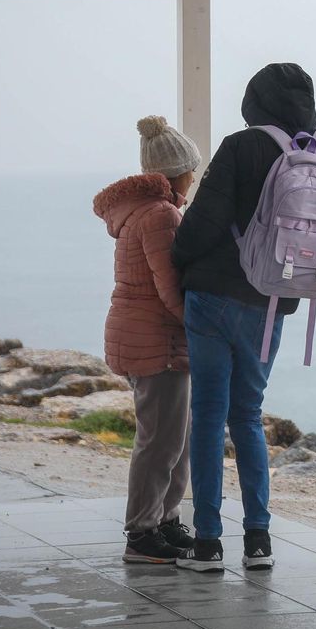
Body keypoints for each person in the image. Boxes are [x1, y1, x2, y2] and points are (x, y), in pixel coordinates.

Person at [170, 63, 316, 571]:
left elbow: (200, 227)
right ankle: (258, 541)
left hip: (211, 299)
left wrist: (181, 263)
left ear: (255, 100)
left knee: (207, 416)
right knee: (248, 416)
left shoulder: (240, 145)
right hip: (274, 303)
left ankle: (207, 541)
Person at [93, 115, 202, 566]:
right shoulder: (162, 214)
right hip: (155, 340)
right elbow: (168, 286)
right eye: (192, 168)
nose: (195, 177)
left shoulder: (144, 211)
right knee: (160, 441)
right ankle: (141, 533)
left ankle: (164, 520)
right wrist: (201, 326)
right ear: (178, 171)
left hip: (144, 334)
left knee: (174, 437)